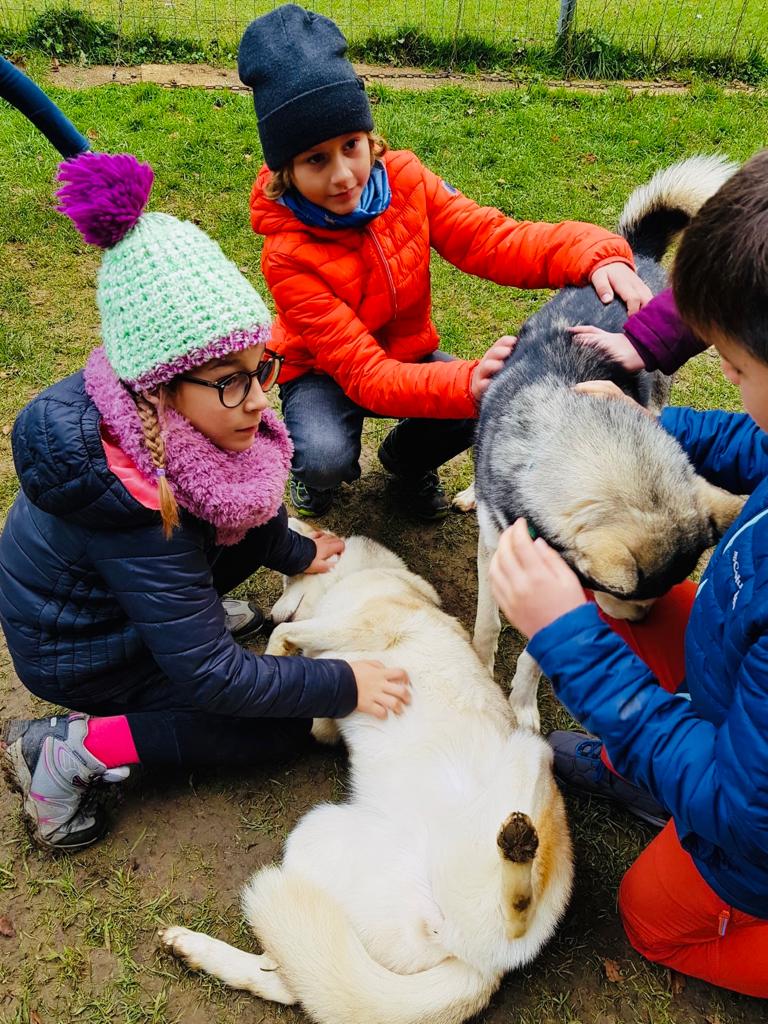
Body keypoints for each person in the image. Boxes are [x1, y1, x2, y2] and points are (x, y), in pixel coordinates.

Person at [0, 151, 411, 853]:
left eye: (261, 370)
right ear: (160, 389)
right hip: (80, 649)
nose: (258, 399)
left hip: (126, 601)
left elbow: (244, 510)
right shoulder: (136, 497)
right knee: (270, 724)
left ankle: (178, 620)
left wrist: (292, 548)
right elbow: (214, 678)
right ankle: (66, 750)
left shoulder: (186, 429)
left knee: (234, 637)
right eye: (231, 380)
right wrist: (340, 682)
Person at [488, 149, 768, 996]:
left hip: (752, 831)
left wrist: (568, 637)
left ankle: (659, 775)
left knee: (647, 917)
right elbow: (758, 449)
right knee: (633, 619)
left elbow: (743, 812)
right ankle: (651, 767)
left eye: (741, 370)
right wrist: (661, 421)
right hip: (741, 701)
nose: (723, 374)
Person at [237, 3, 653, 520]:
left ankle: (405, 463)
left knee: (484, 393)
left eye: (352, 145)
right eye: (316, 159)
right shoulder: (286, 256)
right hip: (326, 372)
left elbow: (492, 238)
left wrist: (595, 254)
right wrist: (462, 380)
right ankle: (313, 474)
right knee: (325, 457)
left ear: (370, 137)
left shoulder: (407, 181)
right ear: (287, 170)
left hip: (406, 354)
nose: (344, 175)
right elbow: (364, 373)